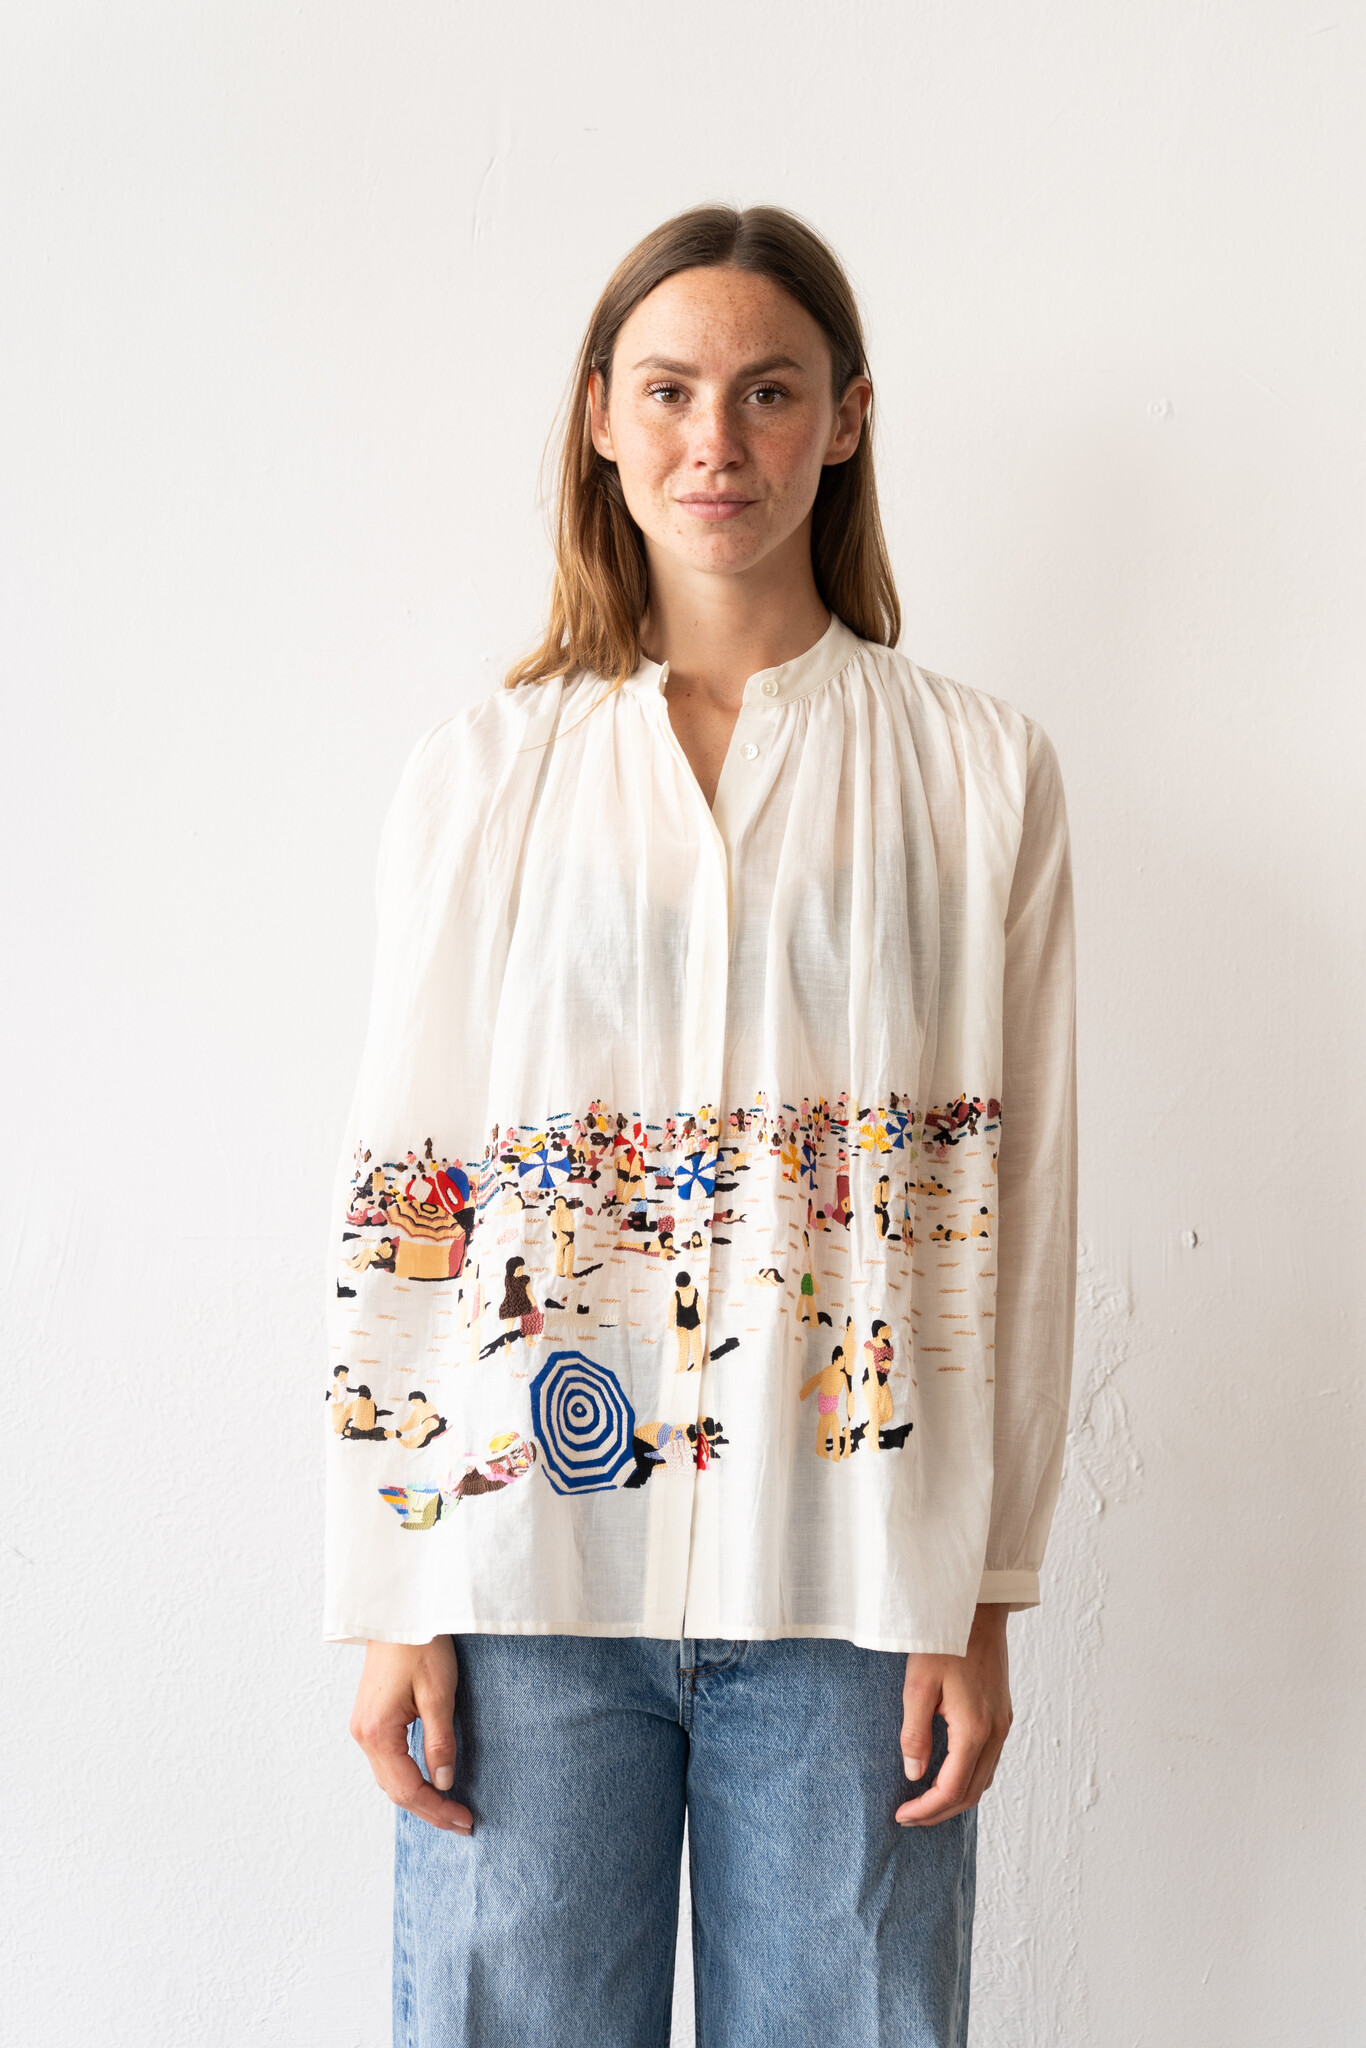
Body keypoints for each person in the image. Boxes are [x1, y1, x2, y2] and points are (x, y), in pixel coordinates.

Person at [326, 204, 1077, 2048]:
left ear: (846, 417)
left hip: (855, 1583)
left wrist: (983, 1591)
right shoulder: (485, 774)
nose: (714, 441)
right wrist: (388, 1587)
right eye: (667, 391)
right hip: (523, 1574)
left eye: (767, 391)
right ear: (600, 416)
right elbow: (408, 1181)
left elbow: (1022, 1195)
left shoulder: (974, 774)